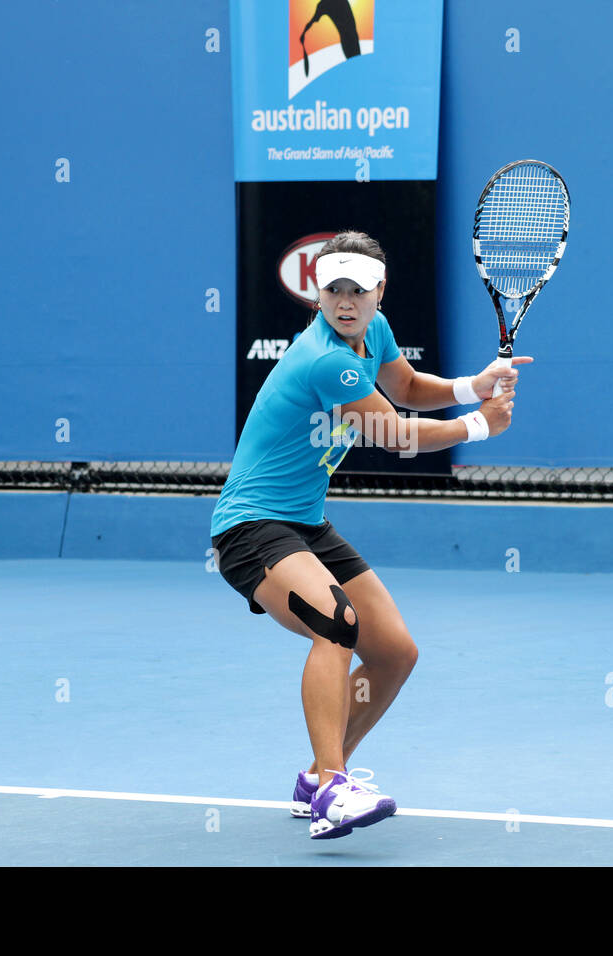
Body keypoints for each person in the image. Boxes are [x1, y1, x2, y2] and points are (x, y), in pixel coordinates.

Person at [209, 230, 528, 839]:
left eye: (358, 289)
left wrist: (472, 386)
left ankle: (313, 778)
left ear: (380, 291)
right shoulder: (326, 358)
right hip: (251, 528)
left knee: (393, 653)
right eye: (334, 289)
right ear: (318, 295)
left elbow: (405, 388)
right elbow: (394, 433)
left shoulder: (370, 333)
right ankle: (333, 786)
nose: (346, 301)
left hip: (304, 522)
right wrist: (478, 428)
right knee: (337, 622)